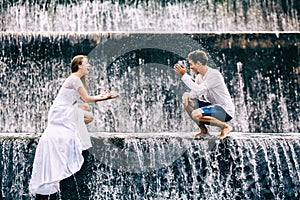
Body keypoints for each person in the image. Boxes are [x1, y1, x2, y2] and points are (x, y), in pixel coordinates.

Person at [29, 55, 115, 199]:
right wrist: (106, 97)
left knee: (87, 111)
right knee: (88, 114)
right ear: (79, 65)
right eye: (87, 63)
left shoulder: (75, 80)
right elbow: (87, 98)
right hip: (61, 112)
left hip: (62, 110)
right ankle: (72, 130)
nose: (89, 66)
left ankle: (72, 128)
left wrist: (91, 101)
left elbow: (83, 101)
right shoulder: (74, 79)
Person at [174, 50, 235, 139]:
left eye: (191, 64)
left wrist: (184, 75)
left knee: (195, 114)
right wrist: (187, 95)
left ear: (198, 63)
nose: (190, 67)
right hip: (214, 106)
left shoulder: (214, 74)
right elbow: (195, 94)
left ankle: (225, 127)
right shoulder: (199, 77)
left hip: (225, 110)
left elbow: (199, 90)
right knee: (187, 102)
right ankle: (203, 130)